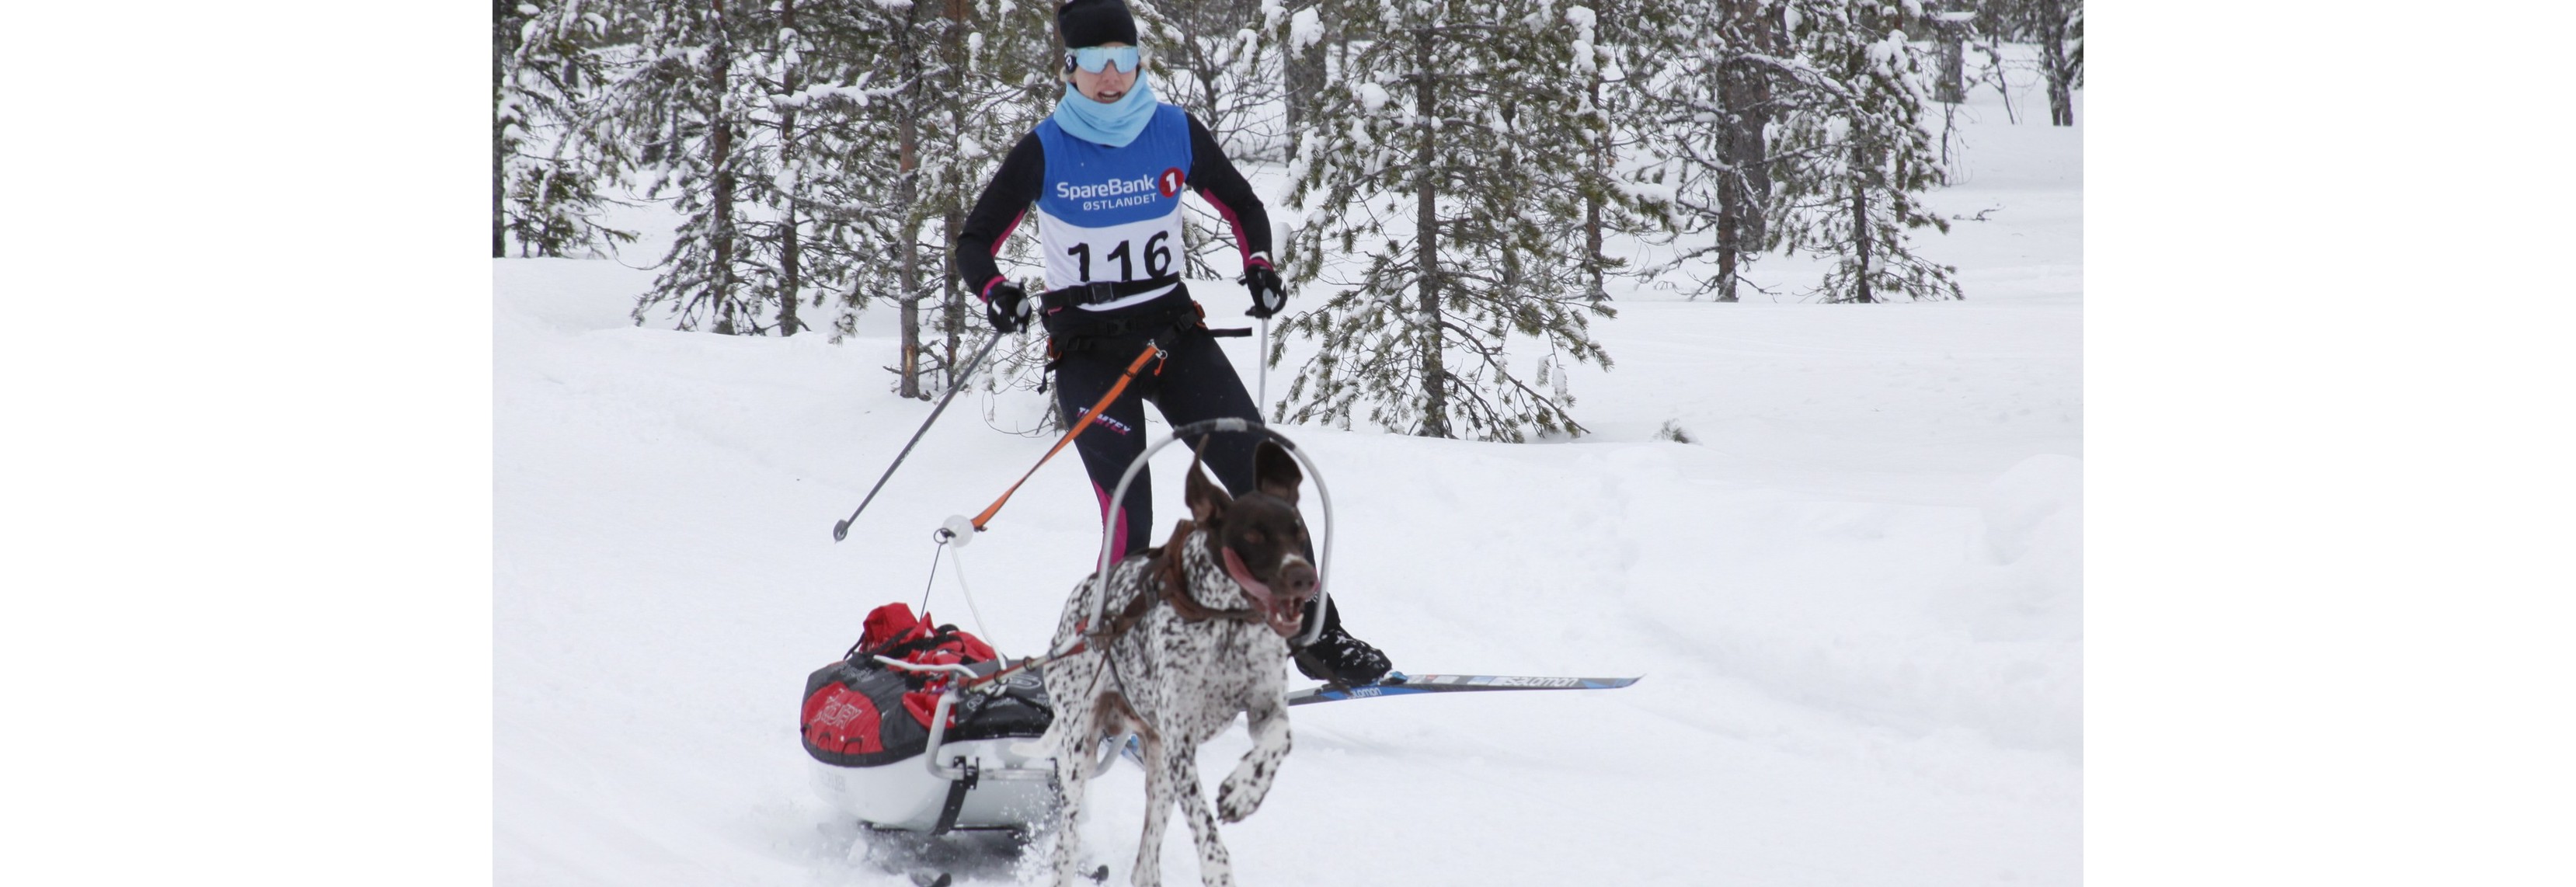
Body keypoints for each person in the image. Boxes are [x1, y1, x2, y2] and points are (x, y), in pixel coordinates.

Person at [953, 0, 1389, 686]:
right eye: (1094, 64)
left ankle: (1312, 633)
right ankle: (1108, 666)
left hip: (1172, 337)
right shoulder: (1047, 148)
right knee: (1132, 511)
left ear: (1138, 62)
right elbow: (974, 242)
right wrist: (997, 291)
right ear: (1069, 70)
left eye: (1123, 61)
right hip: (1091, 356)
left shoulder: (1173, 130)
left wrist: (1261, 264)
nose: (1110, 77)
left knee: (1264, 483)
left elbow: (1243, 206)